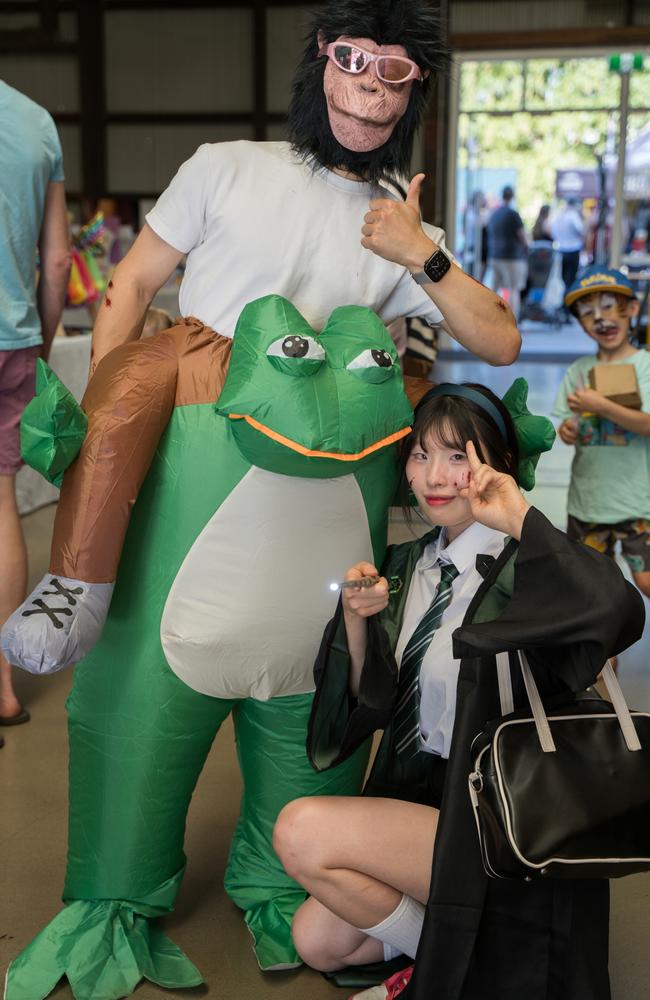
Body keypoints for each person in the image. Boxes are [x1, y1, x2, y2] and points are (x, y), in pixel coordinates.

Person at [273, 380, 644, 1000]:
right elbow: (367, 705)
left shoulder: (529, 564)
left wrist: (523, 518)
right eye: (421, 455)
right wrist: (359, 625)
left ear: (497, 467)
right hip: (423, 800)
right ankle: (467, 957)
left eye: (459, 456)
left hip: (502, 812)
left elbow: (619, 609)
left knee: (300, 831)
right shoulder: (406, 564)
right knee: (320, 940)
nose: (437, 476)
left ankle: (458, 965)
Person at [0, 80, 70, 738]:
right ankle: (2, 686)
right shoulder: (35, 121)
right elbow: (56, 262)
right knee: (2, 507)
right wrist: (41, 341)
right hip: (15, 336)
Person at [553, 266, 650, 601]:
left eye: (610, 307)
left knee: (647, 579)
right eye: (588, 312)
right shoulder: (579, 371)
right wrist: (568, 428)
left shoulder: (645, 366)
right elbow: (566, 428)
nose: (601, 319)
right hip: (589, 503)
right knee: (592, 590)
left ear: (632, 309)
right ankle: (606, 653)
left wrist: (601, 405)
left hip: (639, 503)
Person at [485, 185, 528, 320]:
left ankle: (490, 317)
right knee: (514, 289)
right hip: (512, 257)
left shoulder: (494, 214)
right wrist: (527, 248)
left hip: (495, 256)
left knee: (494, 289)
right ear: (512, 196)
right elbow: (523, 237)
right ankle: (513, 320)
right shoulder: (513, 214)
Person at [552, 197, 585, 293]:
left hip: (561, 249)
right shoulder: (573, 215)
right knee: (571, 279)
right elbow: (581, 230)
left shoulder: (558, 215)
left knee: (563, 278)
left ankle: (564, 299)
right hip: (573, 250)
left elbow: (554, 233)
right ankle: (568, 300)